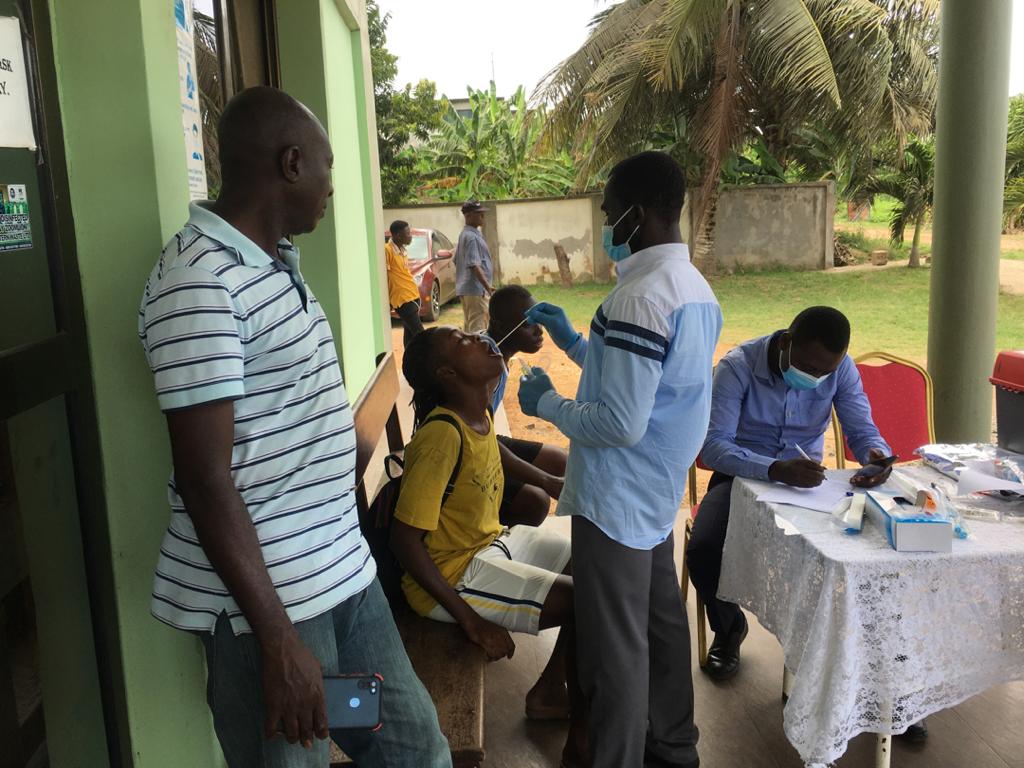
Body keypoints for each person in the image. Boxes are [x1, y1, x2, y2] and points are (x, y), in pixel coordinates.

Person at [138, 87, 450, 768]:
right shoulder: (197, 284)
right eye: (327, 168)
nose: (332, 188)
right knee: (294, 761)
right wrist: (279, 642)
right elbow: (204, 477)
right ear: (290, 164)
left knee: (411, 748)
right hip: (275, 624)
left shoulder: (271, 264)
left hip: (342, 587)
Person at [519, 151, 722, 768]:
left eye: (610, 212)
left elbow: (619, 421)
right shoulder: (694, 289)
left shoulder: (640, 295)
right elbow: (646, 389)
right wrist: (578, 343)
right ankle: (674, 747)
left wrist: (546, 401)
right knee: (660, 628)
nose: (606, 225)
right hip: (655, 497)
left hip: (618, 500)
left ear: (636, 214)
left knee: (614, 653)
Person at [390, 326, 588, 767]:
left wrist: (553, 483)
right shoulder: (441, 436)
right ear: (447, 374)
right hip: (451, 575)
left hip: (490, 543)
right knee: (589, 601)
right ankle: (585, 739)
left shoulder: (473, 416)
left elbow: (494, 449)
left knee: (591, 562)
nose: (480, 339)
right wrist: (470, 623)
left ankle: (551, 689)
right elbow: (404, 540)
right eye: (464, 342)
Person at [686, 307, 895, 683]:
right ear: (785, 343)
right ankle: (729, 627)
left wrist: (875, 455)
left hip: (810, 485)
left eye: (824, 372)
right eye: (808, 367)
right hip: (741, 477)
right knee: (703, 548)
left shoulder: (840, 369)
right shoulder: (737, 367)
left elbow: (862, 430)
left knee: (854, 551)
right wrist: (773, 469)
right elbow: (715, 447)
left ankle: (854, 657)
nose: (815, 377)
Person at [485, 285, 568, 527]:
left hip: (483, 440)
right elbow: (476, 442)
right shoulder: (486, 362)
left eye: (538, 321)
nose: (539, 330)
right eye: (528, 323)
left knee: (559, 459)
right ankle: (489, 537)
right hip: (464, 453)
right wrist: (544, 480)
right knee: (536, 500)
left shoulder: (499, 354)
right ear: (500, 326)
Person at [455, 200, 495, 333]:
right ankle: (476, 354)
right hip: (476, 290)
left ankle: (466, 353)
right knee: (478, 329)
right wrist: (487, 287)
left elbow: (457, 260)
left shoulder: (465, 234)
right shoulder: (471, 237)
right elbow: (474, 265)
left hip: (467, 289)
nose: (482, 216)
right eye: (479, 214)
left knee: (470, 327)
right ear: (468, 216)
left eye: (482, 213)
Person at [385, 219, 425, 346]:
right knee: (421, 335)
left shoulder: (402, 250)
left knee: (410, 338)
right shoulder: (387, 250)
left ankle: (408, 364)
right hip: (403, 300)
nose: (410, 236)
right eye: (408, 233)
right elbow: (384, 275)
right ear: (398, 235)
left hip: (413, 296)